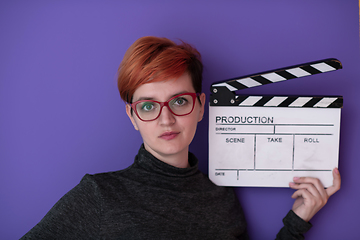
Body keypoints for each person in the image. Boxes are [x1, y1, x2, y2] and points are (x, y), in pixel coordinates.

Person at [21, 36, 341, 239]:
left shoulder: (221, 198)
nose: (166, 118)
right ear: (133, 117)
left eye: (180, 100)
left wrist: (297, 222)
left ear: (201, 107)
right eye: (148, 106)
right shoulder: (100, 195)